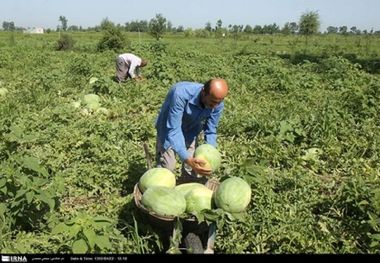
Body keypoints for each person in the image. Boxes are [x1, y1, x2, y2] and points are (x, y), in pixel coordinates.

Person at [155, 78, 229, 183]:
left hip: (191, 131)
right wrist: (187, 159)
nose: (215, 106)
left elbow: (211, 130)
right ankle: (158, 192)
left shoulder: (217, 102)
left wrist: (210, 155)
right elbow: (174, 129)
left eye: (219, 102)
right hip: (169, 129)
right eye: (213, 102)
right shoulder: (180, 94)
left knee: (193, 169)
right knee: (167, 168)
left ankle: (185, 188)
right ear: (204, 92)